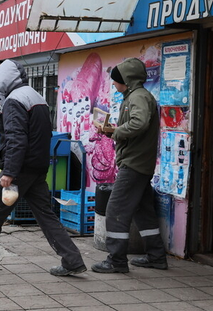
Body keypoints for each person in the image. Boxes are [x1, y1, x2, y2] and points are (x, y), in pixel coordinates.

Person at [0, 60, 87, 276]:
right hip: (37, 168)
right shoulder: (36, 97)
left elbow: (17, 139)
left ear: (4, 82)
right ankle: (73, 261)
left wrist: (9, 172)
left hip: (19, 171)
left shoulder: (14, 101)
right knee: (46, 216)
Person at [91, 58, 167, 273]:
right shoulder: (135, 96)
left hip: (134, 164)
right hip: (139, 162)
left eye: (116, 81)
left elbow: (139, 123)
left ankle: (116, 261)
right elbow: (136, 124)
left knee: (115, 210)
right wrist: (113, 130)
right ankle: (157, 256)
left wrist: (115, 132)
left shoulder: (139, 97)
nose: (114, 84)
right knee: (143, 212)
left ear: (127, 79)